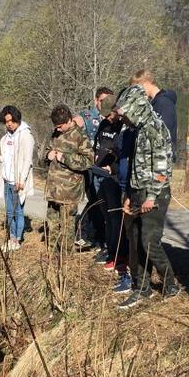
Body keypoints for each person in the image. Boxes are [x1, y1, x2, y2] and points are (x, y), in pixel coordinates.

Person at [114, 84, 179, 308]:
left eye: (126, 114)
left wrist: (151, 197)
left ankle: (170, 283)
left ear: (136, 108)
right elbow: (137, 168)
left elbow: (162, 168)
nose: (124, 120)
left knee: (149, 241)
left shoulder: (156, 129)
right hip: (138, 192)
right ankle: (141, 287)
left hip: (156, 194)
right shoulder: (138, 130)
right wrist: (131, 195)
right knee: (134, 240)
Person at [44, 104, 95, 250]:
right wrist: (48, 155)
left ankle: (66, 259)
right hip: (53, 188)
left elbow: (88, 161)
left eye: (60, 126)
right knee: (52, 223)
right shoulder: (55, 133)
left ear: (69, 120)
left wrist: (64, 157)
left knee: (67, 227)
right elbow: (47, 149)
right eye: (56, 126)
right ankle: (52, 254)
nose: (57, 129)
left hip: (69, 191)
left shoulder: (80, 136)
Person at [91, 93, 129, 271]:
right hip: (99, 173)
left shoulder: (124, 126)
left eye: (110, 115)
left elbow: (122, 153)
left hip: (113, 178)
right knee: (106, 216)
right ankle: (110, 249)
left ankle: (118, 255)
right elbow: (98, 144)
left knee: (115, 218)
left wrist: (112, 168)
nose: (108, 119)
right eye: (105, 116)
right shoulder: (104, 124)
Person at [75, 86, 115, 249]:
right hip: (90, 167)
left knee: (102, 202)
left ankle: (99, 236)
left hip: (107, 167)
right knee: (95, 200)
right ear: (95, 100)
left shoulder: (113, 118)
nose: (105, 104)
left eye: (108, 101)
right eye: (102, 101)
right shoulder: (87, 116)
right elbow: (73, 128)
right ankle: (82, 231)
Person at [0, 106, 35, 251]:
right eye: (6, 121)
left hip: (18, 181)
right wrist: (0, 158)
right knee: (9, 211)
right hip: (7, 179)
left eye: (11, 120)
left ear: (17, 118)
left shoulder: (26, 135)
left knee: (18, 211)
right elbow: (9, 158)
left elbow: (27, 160)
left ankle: (17, 239)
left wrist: (21, 180)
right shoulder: (6, 137)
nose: (9, 124)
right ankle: (11, 238)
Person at [129, 69, 178, 160]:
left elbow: (163, 133)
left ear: (146, 82)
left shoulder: (164, 103)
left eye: (137, 88)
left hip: (161, 160)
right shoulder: (152, 104)